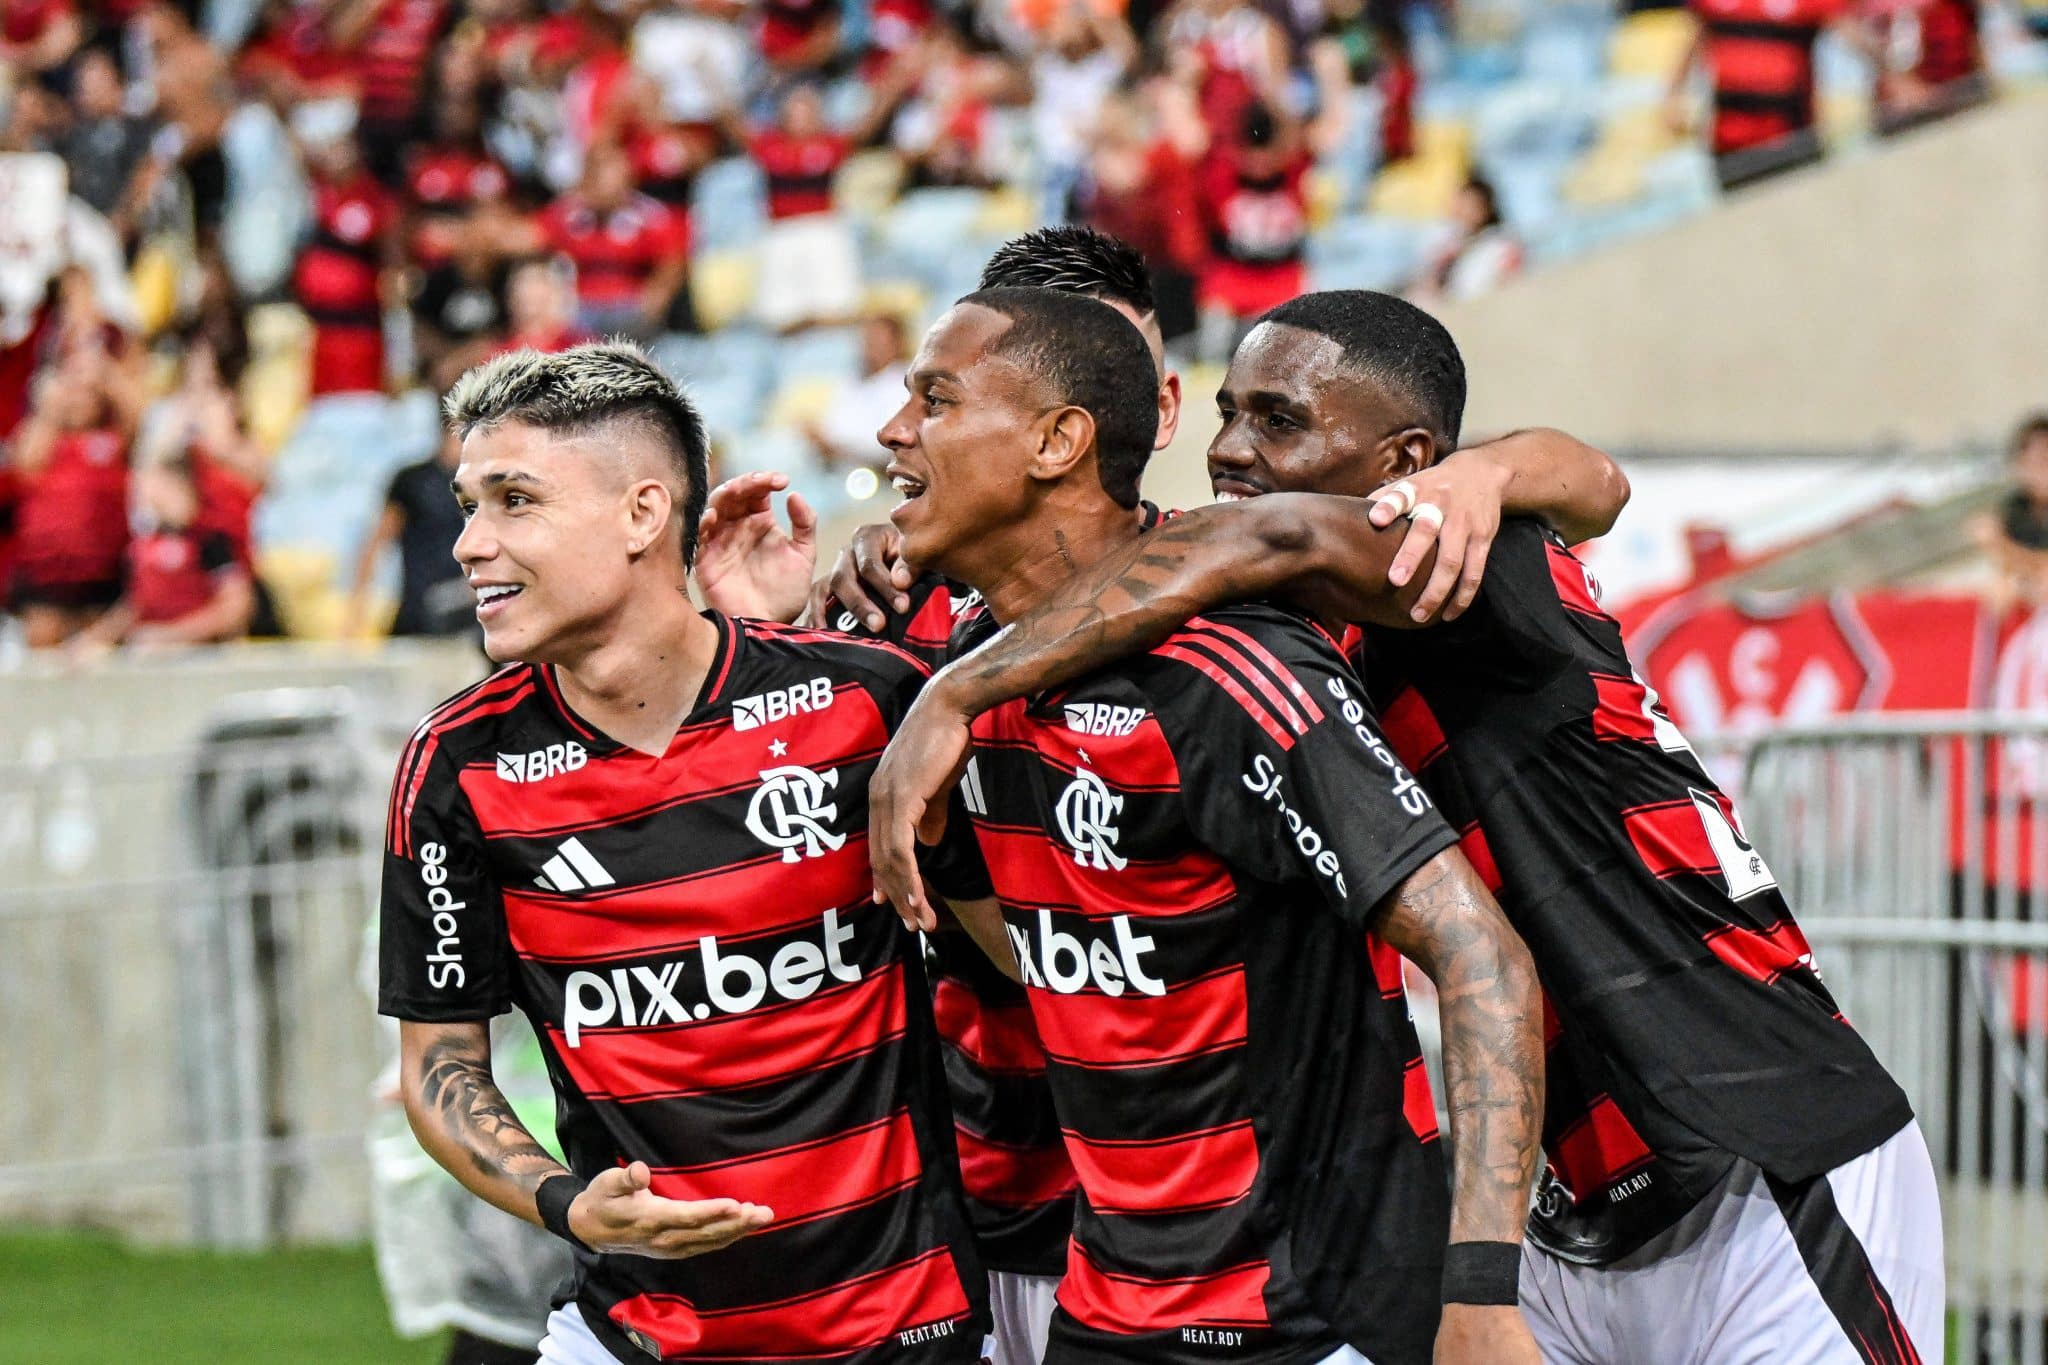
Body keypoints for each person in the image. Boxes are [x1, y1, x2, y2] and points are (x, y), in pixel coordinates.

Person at [870, 290, 1945, 1364]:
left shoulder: (1475, 561)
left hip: (1765, 1147)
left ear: (1406, 464)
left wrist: (952, 694)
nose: (1233, 451)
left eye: (1280, 421)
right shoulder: (1281, 627)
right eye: (1229, 415)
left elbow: (1541, 489)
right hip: (1575, 1213)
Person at [866, 287, 1547, 1364]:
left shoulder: (1228, 670)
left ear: (1056, 440)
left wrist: (1480, 1290)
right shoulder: (956, 661)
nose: (892, 431)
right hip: (1107, 1304)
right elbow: (1059, 958)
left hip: (1311, 1317)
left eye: (933, 399)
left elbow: (1480, 959)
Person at [378, 342, 990, 1365]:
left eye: (514, 500)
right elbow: (439, 1061)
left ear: (641, 513)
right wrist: (570, 1207)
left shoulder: (865, 700)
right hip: (630, 1336)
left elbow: (1021, 958)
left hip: (905, 1327)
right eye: (468, 503)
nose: (469, 542)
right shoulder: (456, 770)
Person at [67, 455, 255, 656]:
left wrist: (173, 636)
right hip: (156, 654)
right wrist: (95, 639)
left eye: (157, 484)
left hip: (204, 657)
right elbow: (137, 604)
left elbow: (236, 607)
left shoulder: (209, 539)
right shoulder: (142, 545)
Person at [347, 431, 473, 639]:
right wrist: (356, 610)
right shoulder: (413, 480)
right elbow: (377, 542)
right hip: (416, 613)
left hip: (468, 612)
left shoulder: (485, 484)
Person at [1973, 413, 2048, 612]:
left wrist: (1998, 543)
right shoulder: (2016, 508)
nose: (2039, 470)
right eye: (2031, 462)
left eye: (2044, 459)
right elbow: (2008, 571)